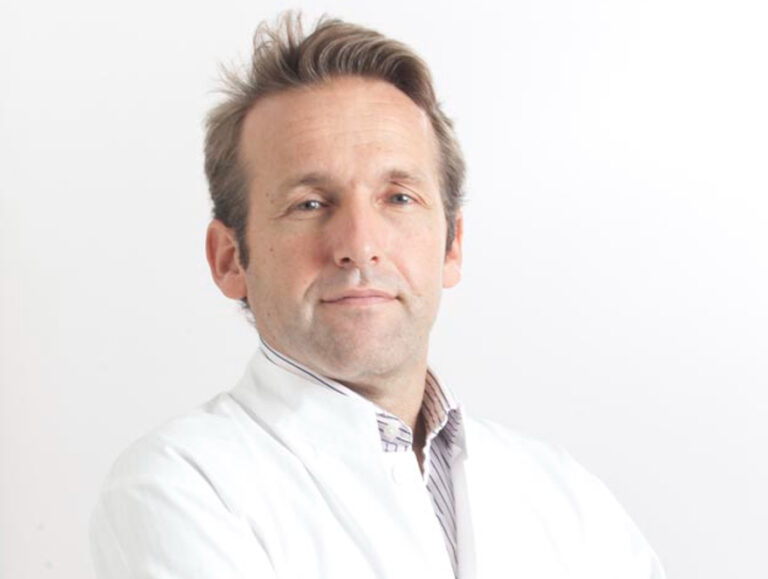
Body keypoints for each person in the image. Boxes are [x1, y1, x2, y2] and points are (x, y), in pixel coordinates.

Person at [90, 13, 666, 579]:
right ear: (229, 259)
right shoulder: (177, 488)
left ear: (452, 245)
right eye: (309, 203)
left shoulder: (566, 497)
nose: (360, 246)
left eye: (398, 198)